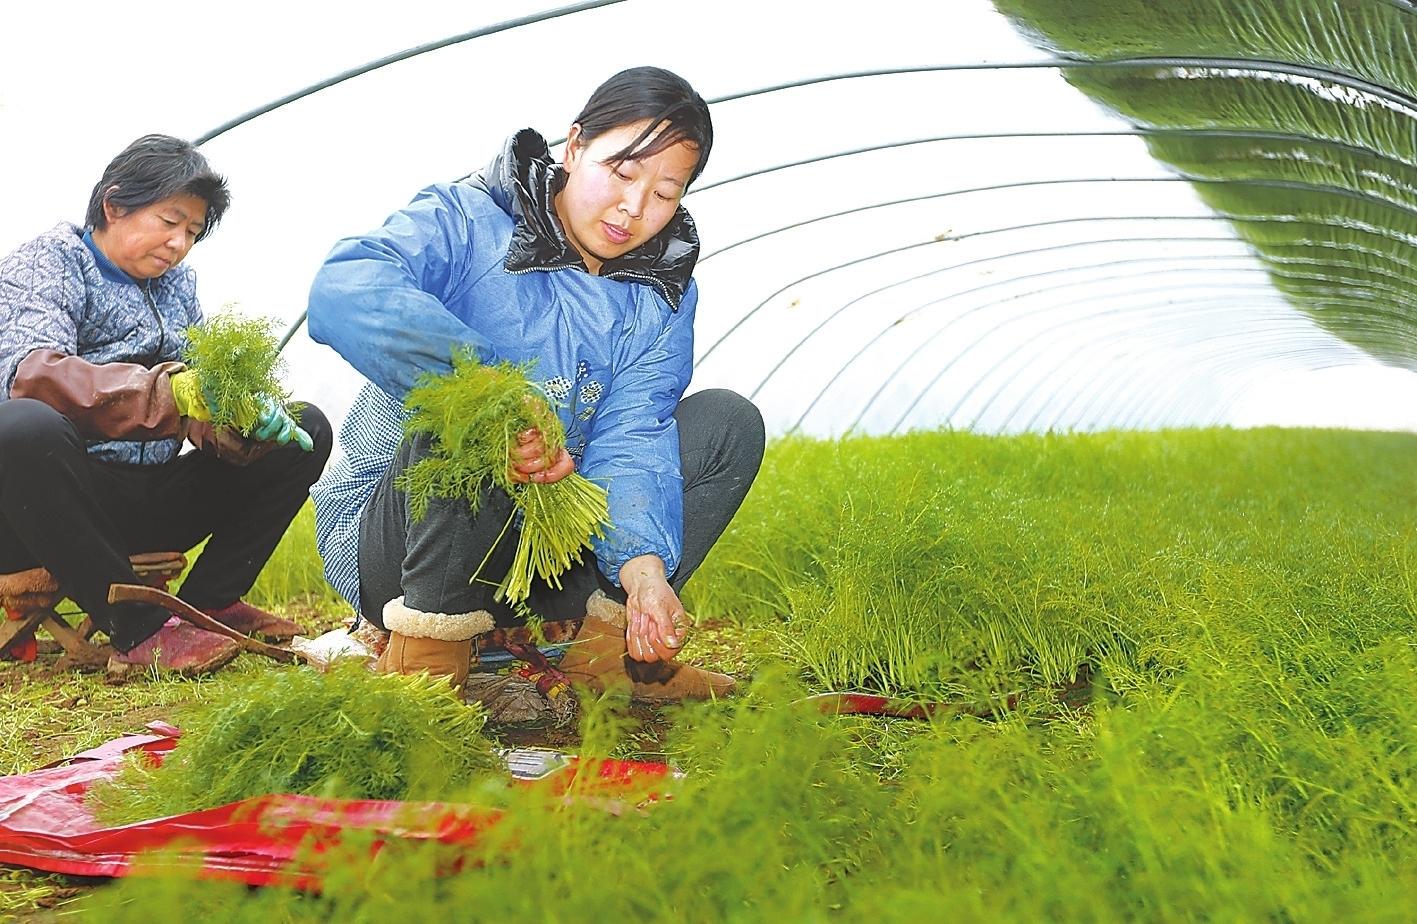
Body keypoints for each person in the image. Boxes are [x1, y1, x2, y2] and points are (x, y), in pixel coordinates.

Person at [308, 66, 764, 701]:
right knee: (468, 412)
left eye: (666, 193)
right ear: (573, 147)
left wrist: (646, 574)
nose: (634, 209)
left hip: (538, 558)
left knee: (726, 425)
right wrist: (493, 391)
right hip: (407, 554)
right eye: (623, 172)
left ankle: (606, 659)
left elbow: (633, 434)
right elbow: (343, 288)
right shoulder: (466, 218)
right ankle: (424, 675)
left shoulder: (661, 292)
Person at [0, 134, 332, 676]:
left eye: (193, 233)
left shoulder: (177, 288)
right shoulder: (48, 265)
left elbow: (196, 403)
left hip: (143, 500)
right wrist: (170, 393)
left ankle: (207, 605)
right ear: (114, 205)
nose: (179, 244)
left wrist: (234, 421)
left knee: (303, 427)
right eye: (168, 221)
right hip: (49, 507)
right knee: (21, 425)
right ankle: (137, 628)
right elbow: (31, 377)